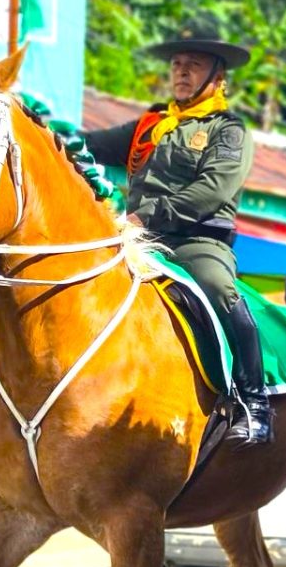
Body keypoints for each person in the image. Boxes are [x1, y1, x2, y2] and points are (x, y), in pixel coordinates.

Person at [85, 26, 272, 445]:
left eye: (194, 65)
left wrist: (146, 216)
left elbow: (213, 190)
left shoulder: (229, 130)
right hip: (139, 239)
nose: (182, 72)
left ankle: (253, 402)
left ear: (217, 77)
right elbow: (89, 144)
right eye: (177, 65)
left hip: (196, 243)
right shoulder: (152, 123)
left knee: (219, 289)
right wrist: (41, 128)